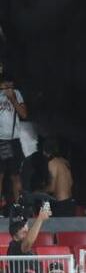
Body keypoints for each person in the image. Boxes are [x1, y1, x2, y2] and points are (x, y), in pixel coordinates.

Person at [5, 203, 50, 273]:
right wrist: (40, 219)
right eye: (23, 232)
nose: (27, 233)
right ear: (14, 234)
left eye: (27, 230)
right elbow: (28, 242)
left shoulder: (25, 248)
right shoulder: (14, 247)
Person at [0, 70, 28, 207]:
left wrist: (13, 99)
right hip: (1, 140)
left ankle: (19, 207)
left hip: (13, 140)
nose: (9, 88)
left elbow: (23, 115)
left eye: (11, 85)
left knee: (15, 175)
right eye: (6, 85)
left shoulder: (17, 94)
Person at [42, 139, 75, 217]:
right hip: (69, 201)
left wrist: (40, 190)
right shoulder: (65, 162)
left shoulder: (52, 163)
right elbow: (71, 182)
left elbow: (52, 188)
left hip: (60, 204)